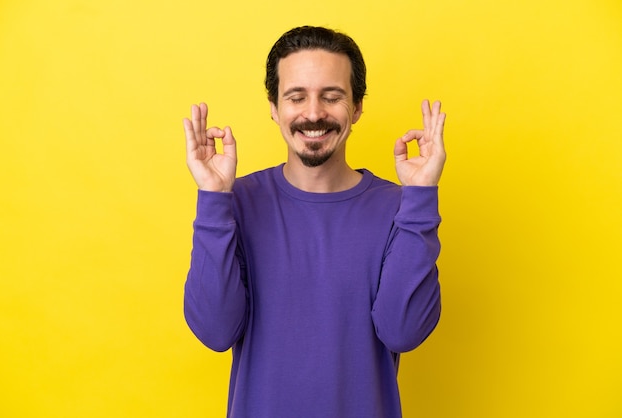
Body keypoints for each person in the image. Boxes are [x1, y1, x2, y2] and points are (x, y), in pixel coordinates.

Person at [182, 25, 446, 418]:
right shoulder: (235, 202)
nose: (313, 113)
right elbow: (215, 331)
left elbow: (403, 331)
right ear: (274, 108)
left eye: (332, 96)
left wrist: (421, 197)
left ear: (356, 107)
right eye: (296, 96)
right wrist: (213, 199)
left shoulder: (400, 210)